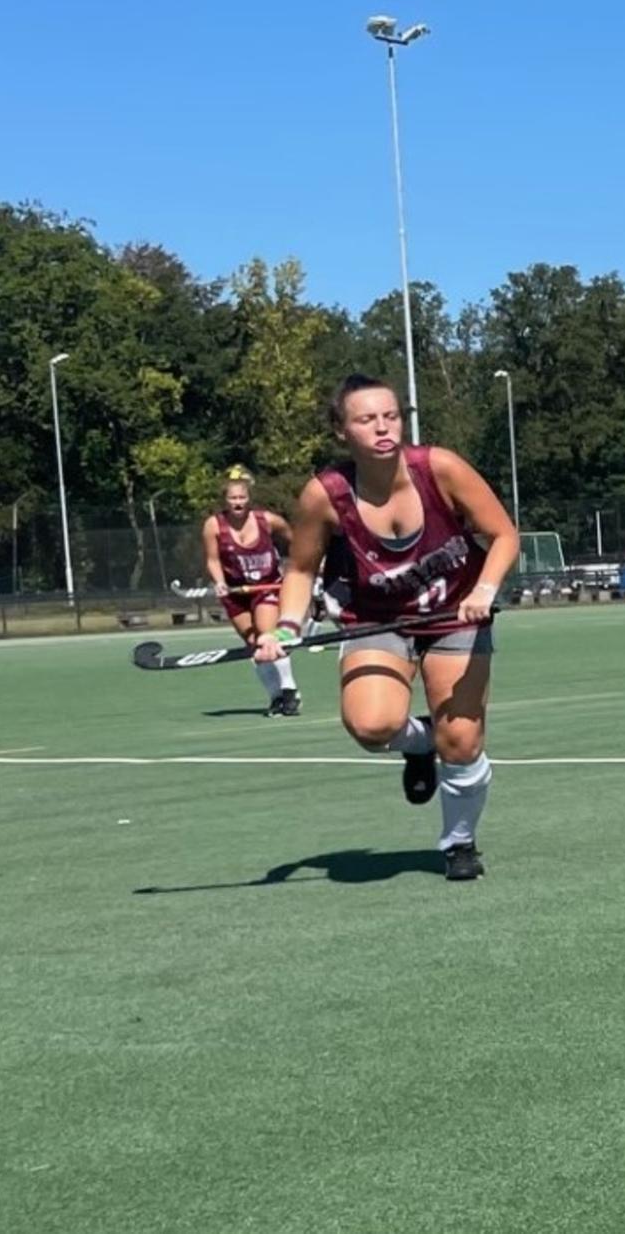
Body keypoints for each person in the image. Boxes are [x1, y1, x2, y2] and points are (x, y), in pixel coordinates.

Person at [260, 375, 519, 882]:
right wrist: (286, 627)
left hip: (453, 614)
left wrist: (483, 592)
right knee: (371, 726)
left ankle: (458, 842)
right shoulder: (324, 494)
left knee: (462, 741)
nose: (382, 427)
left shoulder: (439, 468)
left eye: (391, 416)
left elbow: (503, 534)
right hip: (376, 618)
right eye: (365, 419)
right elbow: (300, 569)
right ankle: (420, 744)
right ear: (341, 431)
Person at [202, 468, 298, 715]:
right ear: (225, 499)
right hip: (235, 592)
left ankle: (289, 691)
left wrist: (297, 567)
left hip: (266, 587)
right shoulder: (214, 525)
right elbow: (212, 560)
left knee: (268, 637)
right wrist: (220, 582)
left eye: (242, 498)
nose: (237, 503)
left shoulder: (268, 520)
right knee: (254, 645)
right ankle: (276, 697)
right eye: (233, 499)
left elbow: (295, 540)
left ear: (249, 498)